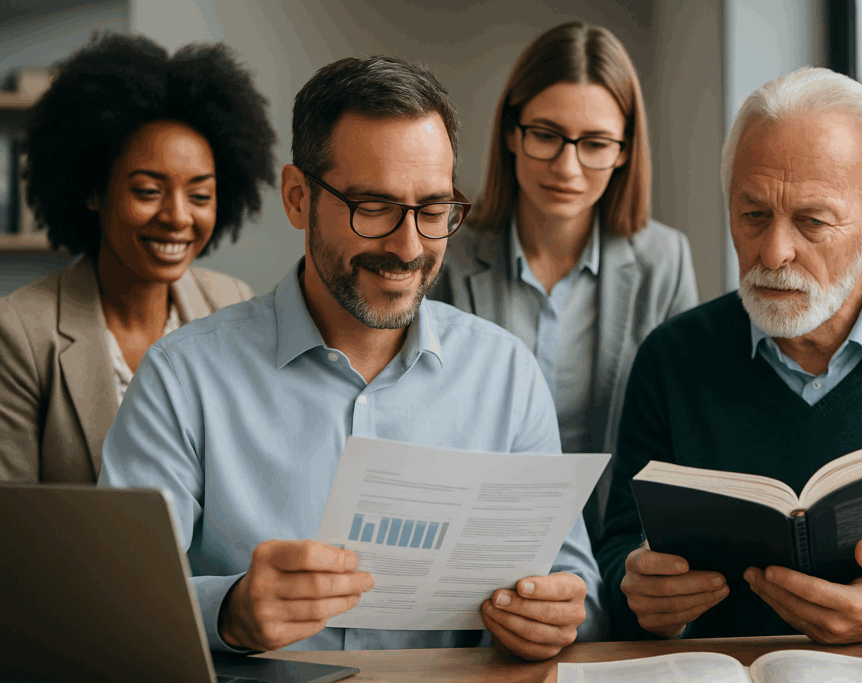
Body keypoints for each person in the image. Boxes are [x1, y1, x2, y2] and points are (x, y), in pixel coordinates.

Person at [98, 55, 606, 658]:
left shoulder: (508, 375)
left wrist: (558, 614)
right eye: (374, 208)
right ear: (296, 198)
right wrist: (227, 612)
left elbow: (579, 592)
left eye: (433, 210)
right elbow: (112, 609)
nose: (409, 246)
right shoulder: (182, 379)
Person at [597, 67, 862, 650]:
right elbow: (616, 559)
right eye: (752, 216)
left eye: (812, 221)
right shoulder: (672, 360)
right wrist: (643, 597)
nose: (773, 251)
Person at [433, 22, 699, 549]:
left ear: (624, 150)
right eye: (547, 135)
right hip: (473, 544)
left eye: (596, 143)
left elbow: (679, 438)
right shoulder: (447, 252)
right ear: (512, 132)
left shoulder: (665, 261)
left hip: (615, 549)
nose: (566, 167)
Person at [0, 33, 276, 483]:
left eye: (200, 194)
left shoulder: (232, 302)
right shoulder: (20, 333)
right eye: (148, 191)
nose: (177, 217)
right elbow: (10, 523)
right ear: (91, 189)